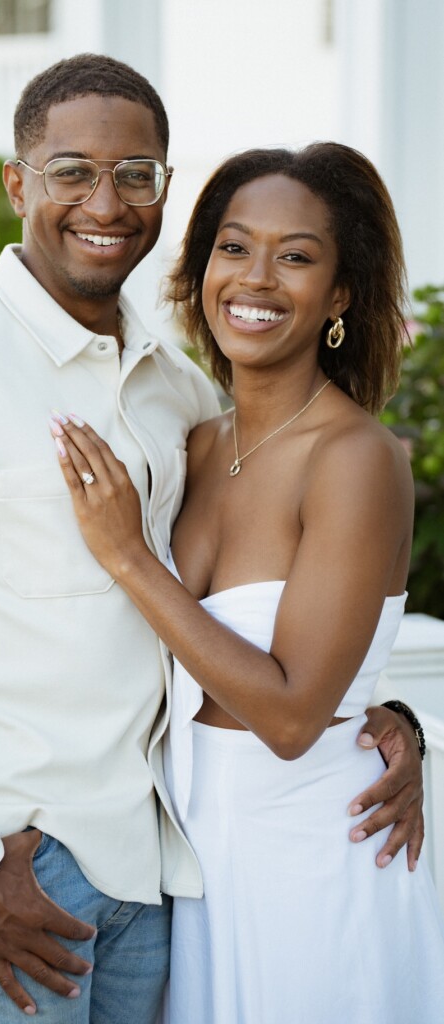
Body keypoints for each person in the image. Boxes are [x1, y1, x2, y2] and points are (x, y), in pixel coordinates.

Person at [0, 56, 424, 1024]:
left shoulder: (178, 397)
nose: (106, 200)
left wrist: (381, 711)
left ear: (162, 191)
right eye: (71, 172)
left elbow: (274, 633)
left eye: (136, 175)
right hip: (9, 865)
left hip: (161, 869)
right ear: (19, 184)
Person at [51, 142, 444, 1023]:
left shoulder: (356, 460)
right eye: (234, 247)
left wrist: (127, 559)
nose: (256, 278)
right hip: (193, 868)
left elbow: (293, 714)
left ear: (339, 293)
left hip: (312, 858)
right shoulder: (193, 441)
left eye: (296, 256)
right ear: (200, 270)